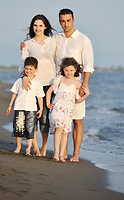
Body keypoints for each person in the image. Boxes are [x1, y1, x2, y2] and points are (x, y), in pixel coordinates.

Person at [54, 9, 94, 162]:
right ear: (60, 21)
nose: (66, 24)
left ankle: (76, 153)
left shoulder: (83, 40)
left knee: (77, 119)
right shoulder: (56, 38)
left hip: (76, 85)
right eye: (63, 21)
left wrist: (84, 86)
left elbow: (88, 66)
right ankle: (62, 152)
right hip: (60, 86)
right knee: (61, 120)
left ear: (73, 20)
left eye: (68, 20)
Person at [19, 14, 56, 157]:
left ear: (45, 26)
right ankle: (34, 146)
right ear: (32, 26)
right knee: (31, 115)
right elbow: (23, 63)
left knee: (45, 116)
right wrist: (23, 77)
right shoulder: (27, 44)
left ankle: (44, 147)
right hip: (33, 84)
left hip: (49, 83)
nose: (38, 28)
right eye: (35, 25)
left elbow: (58, 61)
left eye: (41, 25)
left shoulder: (53, 41)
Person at [46, 57, 90, 162]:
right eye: (66, 70)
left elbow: (78, 100)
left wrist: (87, 95)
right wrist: (48, 103)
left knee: (65, 132)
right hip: (57, 109)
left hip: (69, 111)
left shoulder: (77, 83)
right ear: (63, 70)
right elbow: (49, 92)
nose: (69, 73)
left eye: (71, 70)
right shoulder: (59, 79)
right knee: (59, 128)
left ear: (75, 70)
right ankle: (56, 153)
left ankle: (62, 155)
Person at [6, 57, 44, 156]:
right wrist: (10, 106)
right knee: (18, 128)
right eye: (26, 69)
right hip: (19, 107)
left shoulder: (38, 83)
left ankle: (28, 148)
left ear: (36, 69)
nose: (28, 71)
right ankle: (18, 146)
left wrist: (41, 108)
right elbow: (14, 94)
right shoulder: (19, 81)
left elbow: (40, 97)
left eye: (31, 69)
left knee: (30, 129)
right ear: (24, 68)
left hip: (32, 109)